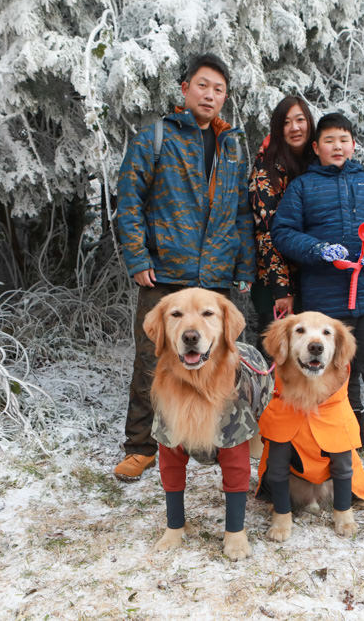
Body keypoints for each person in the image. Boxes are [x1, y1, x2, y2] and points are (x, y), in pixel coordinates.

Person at [113, 53, 255, 481]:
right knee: (153, 360)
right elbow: (130, 200)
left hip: (215, 278)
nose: (210, 95)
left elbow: (242, 212)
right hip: (166, 273)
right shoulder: (156, 138)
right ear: (185, 89)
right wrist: (137, 257)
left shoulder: (232, 145)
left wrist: (243, 265)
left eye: (219, 90)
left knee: (218, 361)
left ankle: (208, 437)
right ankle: (141, 446)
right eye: (203, 86)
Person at [271, 112, 364, 465]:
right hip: (324, 295)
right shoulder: (302, 187)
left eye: (343, 140)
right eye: (329, 141)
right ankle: (348, 437)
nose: (337, 147)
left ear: (353, 145)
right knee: (335, 366)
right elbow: (284, 232)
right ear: (316, 147)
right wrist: (317, 250)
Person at [248, 96, 315, 355]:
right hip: (273, 279)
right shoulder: (267, 169)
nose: (295, 127)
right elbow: (267, 233)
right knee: (277, 350)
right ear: (278, 128)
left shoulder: (317, 163)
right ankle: (267, 396)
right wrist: (282, 288)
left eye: (300, 120)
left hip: (312, 277)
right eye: (286, 122)